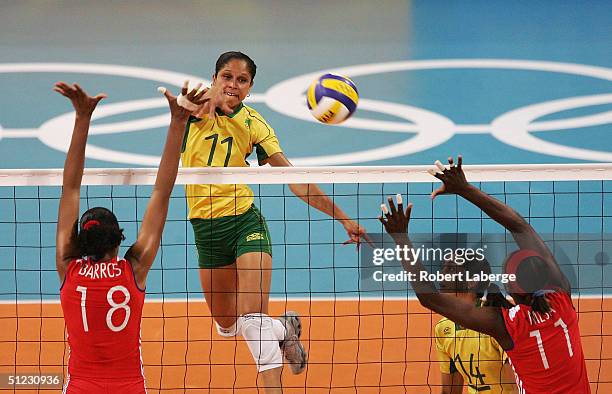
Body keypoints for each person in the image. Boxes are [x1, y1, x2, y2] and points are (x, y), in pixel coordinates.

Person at [180, 51, 369, 393]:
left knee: (252, 322)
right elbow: (187, 104)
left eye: (242, 80)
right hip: (205, 231)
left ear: (250, 88)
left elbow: (293, 178)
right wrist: (201, 101)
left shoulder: (254, 124)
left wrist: (343, 217)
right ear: (214, 78)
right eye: (227, 76)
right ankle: (283, 329)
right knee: (226, 325)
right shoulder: (193, 109)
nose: (233, 85)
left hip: (244, 224)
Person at [379, 156, 590, 394]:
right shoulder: (560, 298)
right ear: (545, 277)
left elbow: (430, 298)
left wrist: (401, 238)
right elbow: (521, 226)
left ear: (511, 288)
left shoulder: (509, 325)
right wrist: (465, 189)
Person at [56, 81, 206, 393]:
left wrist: (82, 118)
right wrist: (179, 121)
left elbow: (70, 187)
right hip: (129, 387)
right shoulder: (132, 270)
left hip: (80, 387)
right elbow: (161, 192)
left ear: (79, 242)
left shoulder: (69, 268)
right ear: (118, 241)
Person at [435, 257, 516, 393]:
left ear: (471, 282)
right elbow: (449, 391)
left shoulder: (496, 321)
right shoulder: (444, 328)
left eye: (450, 269)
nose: (442, 274)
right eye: (443, 267)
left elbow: (516, 387)